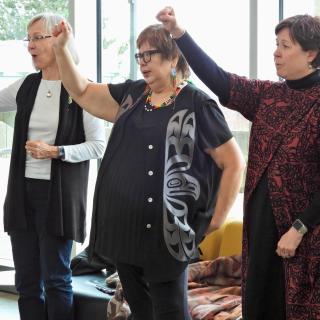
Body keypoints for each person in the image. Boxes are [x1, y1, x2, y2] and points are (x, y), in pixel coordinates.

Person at [51, 20, 245, 320]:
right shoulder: (133, 95)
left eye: (150, 54)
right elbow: (82, 91)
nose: (143, 62)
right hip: (124, 232)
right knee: (140, 312)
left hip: (167, 236)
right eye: (139, 56)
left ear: (173, 58)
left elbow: (233, 162)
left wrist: (217, 219)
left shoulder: (197, 104)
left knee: (170, 313)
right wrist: (62, 49)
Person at [157, 7, 320, 320]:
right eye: (276, 44)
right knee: (258, 305)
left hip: (304, 238)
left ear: (311, 53)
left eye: (286, 46)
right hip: (261, 232)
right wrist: (179, 33)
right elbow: (220, 80)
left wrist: (299, 228)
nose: (276, 53)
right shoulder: (268, 96)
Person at [0, 13, 105, 320]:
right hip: (22, 194)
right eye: (28, 39)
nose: (29, 45)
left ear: (58, 41)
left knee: (56, 280)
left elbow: (97, 145)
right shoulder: (26, 86)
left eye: (37, 38)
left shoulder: (83, 89)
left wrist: (56, 151)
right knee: (27, 281)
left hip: (58, 198)